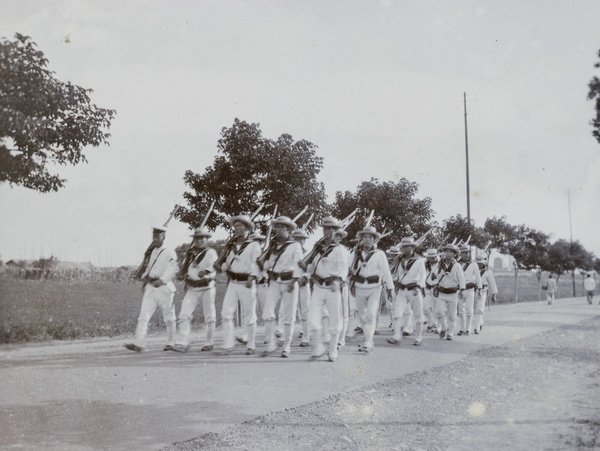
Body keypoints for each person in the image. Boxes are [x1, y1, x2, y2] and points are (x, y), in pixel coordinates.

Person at [125, 226, 178, 352]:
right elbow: (147, 267)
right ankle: (139, 343)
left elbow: (172, 269)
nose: (155, 239)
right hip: (151, 289)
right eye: (153, 236)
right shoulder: (151, 252)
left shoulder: (169, 252)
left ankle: (171, 342)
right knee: (143, 317)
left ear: (163, 237)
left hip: (164, 288)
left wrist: (162, 280)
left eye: (158, 236)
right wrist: (144, 277)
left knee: (169, 317)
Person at [304, 217, 349, 362]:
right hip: (318, 286)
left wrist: (338, 280)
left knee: (335, 320)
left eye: (331, 229)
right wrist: (305, 272)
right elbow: (312, 266)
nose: (328, 231)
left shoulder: (340, 249)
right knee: (313, 318)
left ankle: (333, 349)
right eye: (325, 228)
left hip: (332, 287)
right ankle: (319, 347)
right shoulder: (318, 248)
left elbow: (343, 268)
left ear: (336, 232)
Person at [216, 215, 262, 355]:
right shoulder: (231, 245)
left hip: (247, 282)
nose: (237, 228)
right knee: (226, 313)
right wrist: (220, 267)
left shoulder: (254, 245)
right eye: (235, 226)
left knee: (249, 315)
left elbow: (256, 263)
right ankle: (228, 343)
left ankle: (251, 344)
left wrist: (253, 277)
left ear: (247, 228)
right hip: (233, 283)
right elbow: (228, 263)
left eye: (240, 226)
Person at [260, 216, 303, 358]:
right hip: (274, 281)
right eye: (277, 227)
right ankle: (272, 342)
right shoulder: (272, 245)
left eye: (283, 227)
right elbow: (266, 264)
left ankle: (286, 346)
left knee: (289, 317)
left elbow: (298, 265)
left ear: (288, 229)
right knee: (267, 313)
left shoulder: (295, 245)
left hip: (289, 281)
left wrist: (293, 281)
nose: (279, 229)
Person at [348, 226, 392, 353]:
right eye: (365, 237)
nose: (367, 240)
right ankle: (369, 339)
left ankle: (367, 342)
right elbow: (348, 268)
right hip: (359, 287)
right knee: (362, 317)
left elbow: (386, 271)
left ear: (374, 240)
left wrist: (391, 288)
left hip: (374, 288)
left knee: (371, 315)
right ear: (361, 239)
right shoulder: (355, 253)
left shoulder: (379, 254)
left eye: (370, 237)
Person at [173, 228, 218, 353]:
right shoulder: (190, 253)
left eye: (203, 238)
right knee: (184, 315)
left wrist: (205, 272)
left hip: (207, 287)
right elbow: (185, 269)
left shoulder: (211, 252)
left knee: (209, 317)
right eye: (197, 238)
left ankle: (209, 342)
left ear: (206, 239)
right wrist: (182, 275)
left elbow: (214, 267)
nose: (200, 240)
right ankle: (182, 342)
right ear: (194, 239)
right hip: (192, 288)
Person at [387, 237, 426, 346]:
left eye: (407, 246)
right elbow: (394, 274)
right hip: (402, 289)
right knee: (397, 313)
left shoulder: (419, 260)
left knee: (418, 315)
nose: (404, 248)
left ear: (412, 247)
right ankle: (396, 335)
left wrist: (419, 286)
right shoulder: (399, 260)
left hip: (414, 289)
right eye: (403, 246)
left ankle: (418, 337)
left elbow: (423, 276)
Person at [433, 243, 465, 341]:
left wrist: (462, 290)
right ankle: (443, 326)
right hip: (442, 292)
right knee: (439, 312)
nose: (448, 253)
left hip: (453, 293)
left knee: (452, 314)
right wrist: (434, 275)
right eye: (446, 251)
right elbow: (433, 274)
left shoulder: (457, 266)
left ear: (454, 254)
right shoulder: (440, 264)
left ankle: (450, 332)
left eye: (451, 252)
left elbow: (461, 278)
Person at [291, 228, 312, 347]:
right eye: (296, 239)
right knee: (289, 311)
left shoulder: (308, 254)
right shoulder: (290, 252)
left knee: (305, 311)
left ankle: (306, 337)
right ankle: (285, 336)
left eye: (301, 239)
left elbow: (311, 269)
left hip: (304, 284)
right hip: (292, 283)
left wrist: (305, 276)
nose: (299, 241)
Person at [457, 244, 482, 336]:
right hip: (460, 289)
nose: (465, 255)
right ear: (460, 254)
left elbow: (478, 277)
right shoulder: (457, 264)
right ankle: (462, 328)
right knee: (461, 310)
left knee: (469, 309)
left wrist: (479, 288)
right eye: (463, 253)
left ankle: (468, 328)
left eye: (467, 253)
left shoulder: (473, 264)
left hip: (470, 288)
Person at [473, 253, 497, 334]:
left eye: (480, 263)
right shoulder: (473, 271)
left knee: (480, 308)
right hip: (473, 291)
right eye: (477, 263)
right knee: (473, 309)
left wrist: (494, 294)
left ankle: (476, 328)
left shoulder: (488, 272)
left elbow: (492, 283)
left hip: (482, 292)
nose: (479, 264)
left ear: (484, 263)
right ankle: (480, 322)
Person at [422, 248, 440, 333]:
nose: (431, 259)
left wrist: (437, 277)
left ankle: (436, 324)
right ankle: (432, 322)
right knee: (425, 307)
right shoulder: (425, 264)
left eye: (433, 257)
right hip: (427, 287)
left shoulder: (440, 264)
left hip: (437, 288)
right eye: (429, 257)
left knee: (436, 308)